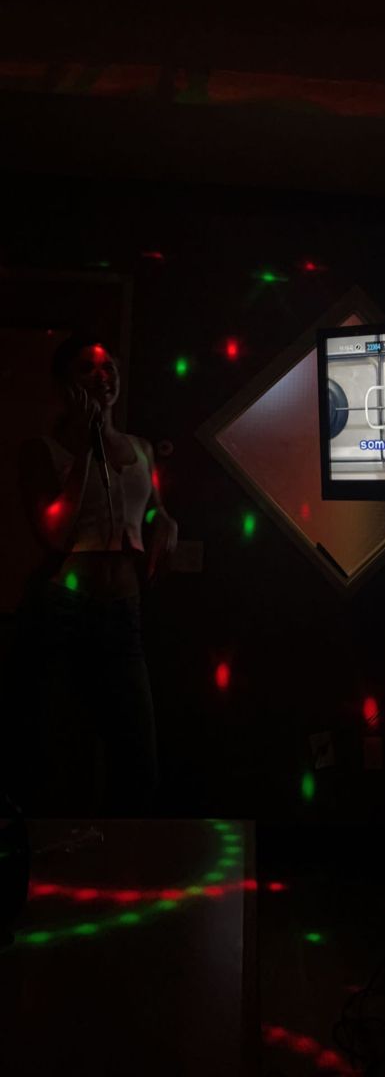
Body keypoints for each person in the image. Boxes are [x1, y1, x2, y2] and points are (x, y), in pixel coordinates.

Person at [16, 335, 178, 814]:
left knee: (138, 753)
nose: (101, 378)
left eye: (108, 369)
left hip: (124, 612)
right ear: (64, 383)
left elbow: (150, 510)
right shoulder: (40, 451)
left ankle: (127, 863)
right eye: (87, 369)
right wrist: (86, 449)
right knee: (68, 751)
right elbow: (55, 533)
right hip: (65, 614)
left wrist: (164, 520)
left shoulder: (140, 448)